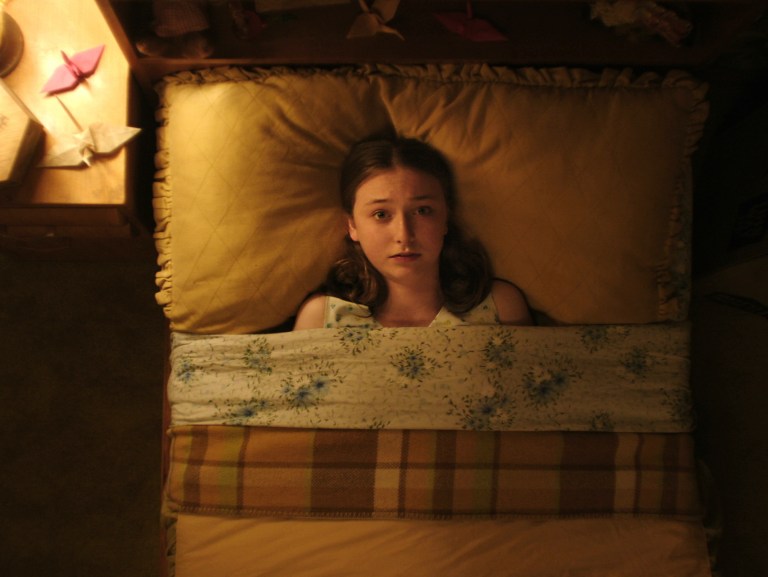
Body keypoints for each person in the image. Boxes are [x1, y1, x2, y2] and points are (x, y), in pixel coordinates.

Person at [293, 136, 532, 330]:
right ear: (352, 226)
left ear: (446, 217)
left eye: (422, 211)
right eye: (381, 214)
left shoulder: (500, 308)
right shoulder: (322, 319)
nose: (404, 235)